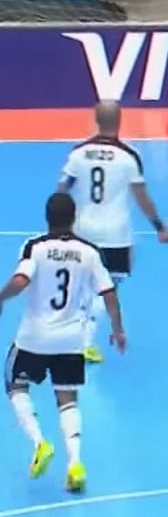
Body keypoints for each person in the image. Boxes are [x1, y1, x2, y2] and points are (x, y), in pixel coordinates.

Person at [0, 193, 126, 493]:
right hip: (71, 341)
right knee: (67, 398)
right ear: (74, 217)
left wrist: (1, 298)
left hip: (34, 337)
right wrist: (118, 330)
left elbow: (21, 279)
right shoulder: (90, 252)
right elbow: (108, 292)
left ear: (48, 217)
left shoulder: (36, 247)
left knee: (15, 384)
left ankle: (40, 442)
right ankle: (75, 464)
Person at [57, 101, 168, 364]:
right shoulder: (128, 156)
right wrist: (158, 225)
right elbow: (141, 197)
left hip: (82, 231)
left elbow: (62, 190)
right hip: (116, 236)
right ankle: (83, 343)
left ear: (96, 120)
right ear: (119, 121)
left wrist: (57, 226)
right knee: (107, 288)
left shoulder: (79, 153)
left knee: (84, 286)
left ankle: (71, 335)